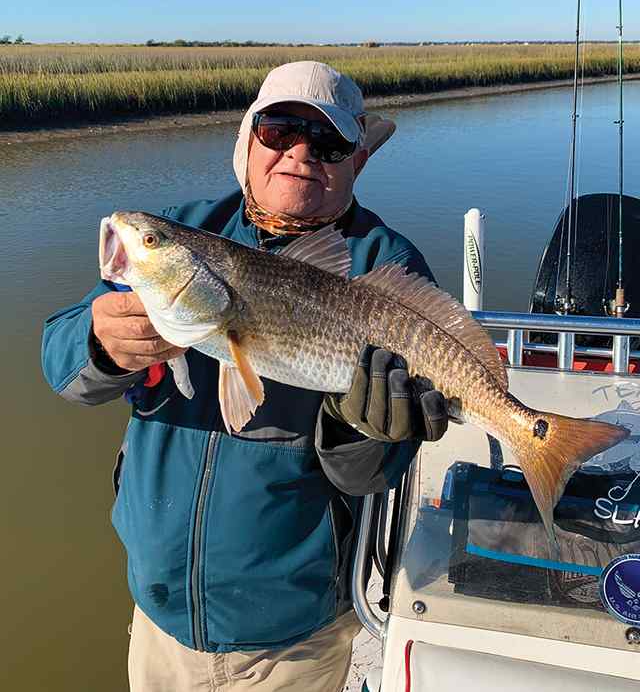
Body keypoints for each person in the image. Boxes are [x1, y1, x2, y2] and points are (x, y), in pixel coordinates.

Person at [41, 61, 449, 691]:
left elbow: (372, 477)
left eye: (330, 143)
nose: (300, 154)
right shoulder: (184, 234)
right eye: (280, 130)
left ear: (357, 162)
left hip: (293, 636)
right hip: (158, 613)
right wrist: (98, 341)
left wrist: (358, 428)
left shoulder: (384, 269)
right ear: (247, 139)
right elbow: (61, 372)